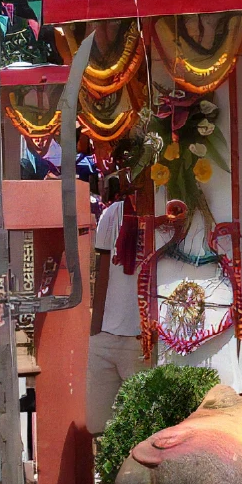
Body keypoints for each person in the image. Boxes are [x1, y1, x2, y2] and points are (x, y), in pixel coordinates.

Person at [87, 173, 148, 439]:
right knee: (96, 423)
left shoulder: (168, 215)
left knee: (142, 427)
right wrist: (94, 330)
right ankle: (106, 480)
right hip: (106, 337)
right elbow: (102, 272)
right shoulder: (113, 214)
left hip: (142, 340)